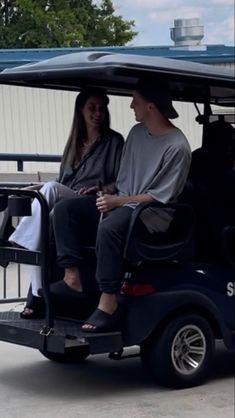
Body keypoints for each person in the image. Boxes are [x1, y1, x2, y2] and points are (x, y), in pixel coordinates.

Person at [52, 79, 192, 333]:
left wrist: (118, 201)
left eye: (135, 101)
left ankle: (108, 301)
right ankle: (72, 278)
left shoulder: (178, 146)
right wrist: (106, 192)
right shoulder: (137, 133)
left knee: (110, 228)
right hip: (123, 203)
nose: (131, 106)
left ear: (150, 107)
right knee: (66, 210)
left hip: (151, 215)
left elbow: (160, 197)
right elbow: (123, 182)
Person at [3, 87, 124, 318]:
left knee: (48, 196)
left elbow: (122, 180)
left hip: (92, 202)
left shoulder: (114, 142)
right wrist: (35, 188)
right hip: (68, 197)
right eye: (92, 108)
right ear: (80, 110)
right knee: (41, 209)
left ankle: (17, 240)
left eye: (101, 108)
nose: (98, 113)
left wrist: (102, 188)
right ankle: (38, 292)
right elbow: (61, 180)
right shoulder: (74, 143)